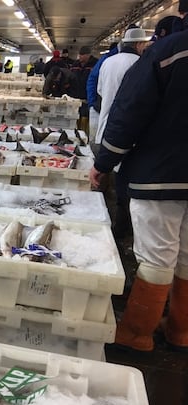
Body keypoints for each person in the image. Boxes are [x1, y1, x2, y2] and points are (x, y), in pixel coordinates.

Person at [88, 8, 188, 353]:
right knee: (187, 255)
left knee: (158, 255)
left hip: (162, 175)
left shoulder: (168, 52)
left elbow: (130, 112)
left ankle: (136, 334)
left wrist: (104, 161)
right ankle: (180, 332)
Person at [96, 28, 152, 245]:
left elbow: (101, 92)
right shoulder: (140, 64)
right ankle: (123, 228)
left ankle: (105, 213)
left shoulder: (108, 62)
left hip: (107, 127)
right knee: (126, 181)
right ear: (139, 45)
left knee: (104, 173)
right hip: (129, 132)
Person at [86, 42, 119, 145]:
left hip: (108, 106)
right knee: (97, 139)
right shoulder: (106, 60)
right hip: (99, 105)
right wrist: (92, 103)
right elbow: (93, 80)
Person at [70, 46, 98, 130]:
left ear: (88, 55)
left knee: (87, 117)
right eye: (79, 55)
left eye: (82, 55)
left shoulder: (95, 64)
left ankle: (85, 135)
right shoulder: (75, 64)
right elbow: (71, 78)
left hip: (89, 97)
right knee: (76, 117)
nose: (80, 57)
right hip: (76, 96)